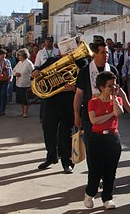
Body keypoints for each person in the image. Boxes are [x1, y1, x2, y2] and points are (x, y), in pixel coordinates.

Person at [75, 41, 130, 153]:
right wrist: (76, 114)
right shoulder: (85, 71)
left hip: (110, 117)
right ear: (94, 54)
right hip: (90, 116)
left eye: (107, 53)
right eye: (103, 52)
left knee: (109, 150)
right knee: (92, 150)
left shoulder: (112, 70)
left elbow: (120, 92)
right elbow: (78, 95)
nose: (106, 55)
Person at [32, 46, 76, 174]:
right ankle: (51, 157)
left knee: (65, 134)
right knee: (48, 130)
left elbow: (84, 81)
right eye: (65, 49)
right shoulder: (52, 60)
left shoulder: (79, 63)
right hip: (51, 103)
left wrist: (74, 87)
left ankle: (67, 162)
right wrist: (34, 73)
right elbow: (38, 71)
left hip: (68, 104)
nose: (67, 51)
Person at [83, 71, 123, 210]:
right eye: (110, 86)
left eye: (114, 85)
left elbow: (119, 113)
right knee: (96, 170)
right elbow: (94, 120)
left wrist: (115, 98)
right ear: (101, 88)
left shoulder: (116, 100)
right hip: (97, 138)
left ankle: (107, 198)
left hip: (113, 138)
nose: (113, 88)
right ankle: (90, 193)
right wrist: (111, 114)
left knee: (110, 170)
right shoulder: (93, 102)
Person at [13, 48, 34, 118]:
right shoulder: (19, 63)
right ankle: (22, 112)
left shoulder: (29, 63)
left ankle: (25, 112)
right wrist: (16, 74)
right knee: (20, 99)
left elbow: (33, 73)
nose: (19, 57)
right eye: (18, 55)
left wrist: (32, 83)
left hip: (26, 83)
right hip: (19, 83)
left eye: (20, 55)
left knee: (25, 99)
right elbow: (13, 71)